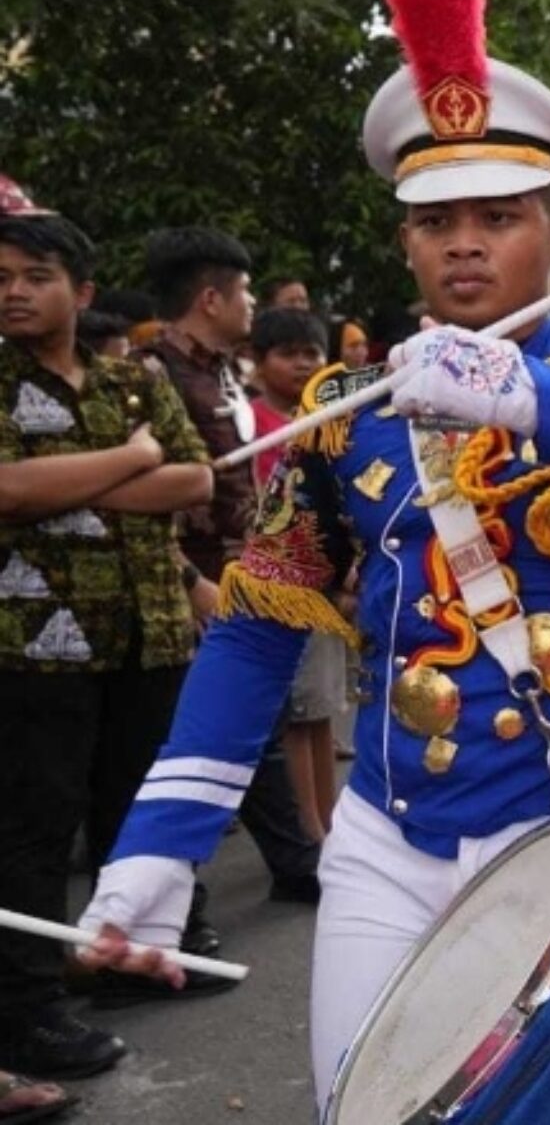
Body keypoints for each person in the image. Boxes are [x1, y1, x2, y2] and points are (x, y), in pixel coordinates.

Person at [70, 0, 550, 1109]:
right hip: (389, 838)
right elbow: (259, 631)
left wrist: (534, 398)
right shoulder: (339, 418)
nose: (465, 241)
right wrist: (164, 840)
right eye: (436, 219)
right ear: (404, 239)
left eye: (499, 215)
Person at [0, 205, 216, 1082]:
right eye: (2, 278)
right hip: (32, 648)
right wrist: (131, 460)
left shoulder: (132, 379)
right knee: (31, 834)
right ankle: (26, 1018)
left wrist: (77, 480)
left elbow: (196, 476)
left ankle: (116, 962)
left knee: (132, 817)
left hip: (146, 635)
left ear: (81, 291)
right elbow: (7, 492)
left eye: (34, 276)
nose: (14, 291)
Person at [134, 228, 326, 927]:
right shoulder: (150, 375)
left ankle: (296, 864)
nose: (252, 302)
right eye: (244, 291)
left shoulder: (222, 374)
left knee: (261, 726)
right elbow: (140, 500)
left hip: (245, 578)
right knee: (186, 744)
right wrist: (189, 585)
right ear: (211, 298)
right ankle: (168, 914)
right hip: (182, 589)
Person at [242, 308, 348, 843]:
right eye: (288, 354)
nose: (304, 364)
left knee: (323, 712)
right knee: (297, 717)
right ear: (258, 364)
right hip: (283, 586)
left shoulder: (328, 421)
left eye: (312, 352)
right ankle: (309, 830)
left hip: (324, 585)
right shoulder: (254, 423)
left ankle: (330, 822)